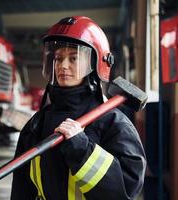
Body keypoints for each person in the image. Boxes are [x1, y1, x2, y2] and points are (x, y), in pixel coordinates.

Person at [11, 16, 146, 200]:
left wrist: (81, 149)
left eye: (73, 58)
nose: (63, 66)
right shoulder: (36, 124)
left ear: (95, 64)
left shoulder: (113, 124)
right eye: (58, 59)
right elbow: (21, 189)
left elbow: (126, 191)